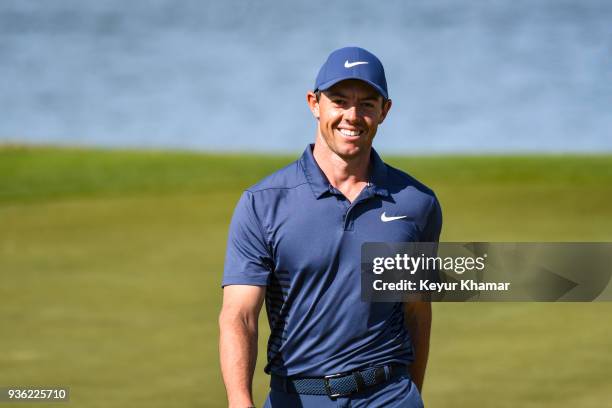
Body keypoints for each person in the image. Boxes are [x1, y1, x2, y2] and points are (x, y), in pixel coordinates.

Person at [219, 46, 442, 408]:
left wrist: (412, 395)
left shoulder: (417, 204)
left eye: (367, 104)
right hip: (300, 397)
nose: (352, 116)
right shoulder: (263, 203)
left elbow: (416, 310)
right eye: (339, 101)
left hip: (389, 395)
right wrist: (240, 402)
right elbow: (239, 315)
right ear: (314, 103)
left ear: (385, 111)